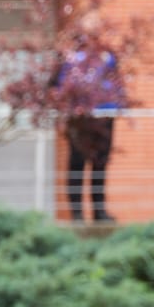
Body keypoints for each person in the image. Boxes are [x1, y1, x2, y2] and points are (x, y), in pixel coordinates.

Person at [57, 36, 124, 223]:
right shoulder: (72, 60)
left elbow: (117, 85)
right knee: (77, 164)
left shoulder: (108, 58)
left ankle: (99, 211)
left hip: (105, 117)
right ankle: (77, 214)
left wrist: (119, 106)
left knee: (100, 164)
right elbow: (63, 87)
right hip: (80, 118)